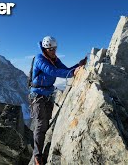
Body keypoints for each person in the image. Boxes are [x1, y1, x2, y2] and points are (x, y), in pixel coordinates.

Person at [29, 36, 86, 165]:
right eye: (50, 49)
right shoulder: (40, 59)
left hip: (48, 94)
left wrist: (79, 65)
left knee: (46, 123)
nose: (53, 51)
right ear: (45, 48)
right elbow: (53, 71)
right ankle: (37, 156)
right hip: (37, 96)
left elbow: (65, 70)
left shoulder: (54, 59)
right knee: (40, 124)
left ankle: (42, 152)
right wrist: (73, 73)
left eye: (54, 48)